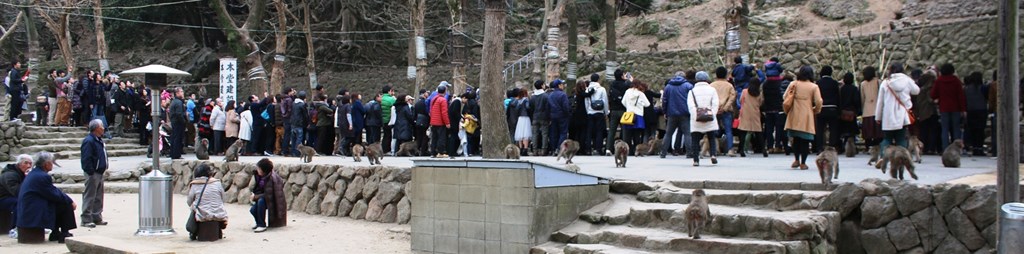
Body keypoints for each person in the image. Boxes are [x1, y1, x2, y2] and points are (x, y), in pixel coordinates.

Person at [18, 152, 76, 243]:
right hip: (32, 209)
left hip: (30, 206)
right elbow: (53, 194)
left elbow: (52, 191)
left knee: (61, 201)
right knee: (66, 204)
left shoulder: (35, 173)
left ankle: (55, 232)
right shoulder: (42, 176)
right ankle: (64, 233)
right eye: (51, 162)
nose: (52, 164)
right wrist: (70, 201)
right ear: (46, 164)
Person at [783, 66, 823, 170]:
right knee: (805, 140)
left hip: (794, 113)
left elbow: (785, 97)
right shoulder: (814, 86)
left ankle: (796, 159)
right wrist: (815, 110)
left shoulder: (793, 84)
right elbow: (819, 101)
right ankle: (803, 163)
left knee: (795, 138)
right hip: (806, 114)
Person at [876, 62, 920, 154]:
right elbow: (916, 91)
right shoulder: (907, 80)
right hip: (902, 115)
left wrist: (878, 117)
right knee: (901, 139)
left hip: (888, 115)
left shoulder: (885, 82)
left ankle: (883, 157)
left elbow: (880, 102)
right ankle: (902, 156)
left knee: (887, 138)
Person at [186, 163, 228, 240]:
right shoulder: (217, 183)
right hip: (219, 214)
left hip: (202, 215)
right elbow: (223, 199)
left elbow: (189, 202)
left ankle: (194, 233)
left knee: (194, 207)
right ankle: (219, 230)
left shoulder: (195, 184)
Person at [687, 71, 720, 166]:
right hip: (709, 116)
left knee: (695, 139)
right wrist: (712, 114)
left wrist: (695, 115)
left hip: (696, 118)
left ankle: (696, 160)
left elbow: (690, 106)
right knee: (711, 137)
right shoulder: (712, 90)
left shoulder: (692, 91)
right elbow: (715, 103)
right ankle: (713, 154)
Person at [80, 119, 109, 227]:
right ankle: (86, 219)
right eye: (101, 126)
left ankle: (96, 216)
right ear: (96, 128)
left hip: (100, 171)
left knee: (98, 196)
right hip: (93, 172)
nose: (103, 128)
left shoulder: (99, 140)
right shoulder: (89, 141)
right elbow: (86, 158)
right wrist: (90, 171)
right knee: (90, 195)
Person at [930, 63, 966, 150]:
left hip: (944, 108)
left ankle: (945, 148)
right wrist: (963, 109)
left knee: (944, 129)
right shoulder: (956, 80)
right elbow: (961, 96)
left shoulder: (939, 80)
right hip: (955, 107)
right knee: (956, 128)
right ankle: (957, 148)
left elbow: (933, 94)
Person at [661, 71, 693, 158]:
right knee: (687, 133)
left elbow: (664, 101)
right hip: (685, 113)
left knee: (668, 133)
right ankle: (689, 152)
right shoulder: (688, 86)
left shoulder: (668, 86)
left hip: (672, 113)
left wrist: (665, 112)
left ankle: (663, 152)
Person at [249, 158, 286, 232]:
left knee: (261, 201)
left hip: (273, 200)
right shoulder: (259, 176)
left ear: (263, 170)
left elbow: (269, 194)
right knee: (253, 210)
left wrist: (255, 197)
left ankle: (261, 225)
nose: (257, 170)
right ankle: (259, 223)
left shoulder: (271, 179)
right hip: (263, 197)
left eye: (259, 168)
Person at [911, 68, 940, 154]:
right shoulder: (930, 88)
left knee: (924, 130)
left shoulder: (919, 89)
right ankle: (931, 147)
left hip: (922, 112)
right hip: (931, 112)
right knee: (932, 130)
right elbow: (931, 100)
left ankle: (924, 148)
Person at [0, 154, 31, 233]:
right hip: (2, 198)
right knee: (19, 203)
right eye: (26, 163)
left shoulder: (20, 173)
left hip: (9, 196)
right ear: (19, 164)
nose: (28, 166)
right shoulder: (10, 175)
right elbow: (17, 192)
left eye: (30, 164)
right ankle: (15, 227)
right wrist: (27, 179)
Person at [710, 68, 737, 156]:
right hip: (726, 110)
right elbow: (732, 98)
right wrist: (725, 108)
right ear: (725, 74)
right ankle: (730, 149)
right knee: (728, 130)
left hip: (714, 110)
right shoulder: (729, 85)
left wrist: (715, 108)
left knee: (713, 129)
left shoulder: (711, 85)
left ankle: (715, 149)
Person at [814, 66, 842, 153]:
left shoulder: (818, 83)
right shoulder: (834, 83)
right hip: (833, 108)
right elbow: (838, 97)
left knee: (820, 129)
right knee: (833, 129)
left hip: (821, 108)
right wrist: (839, 110)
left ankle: (819, 147)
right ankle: (832, 146)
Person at [737, 74, 765, 157]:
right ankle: (764, 150)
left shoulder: (745, 91)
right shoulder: (759, 93)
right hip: (755, 113)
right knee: (758, 132)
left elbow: (741, 100)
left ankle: (741, 150)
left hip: (745, 113)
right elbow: (760, 103)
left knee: (743, 132)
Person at [622, 80, 651, 155]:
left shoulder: (627, 91)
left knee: (627, 135)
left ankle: (628, 151)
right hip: (638, 116)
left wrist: (629, 107)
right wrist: (640, 105)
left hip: (628, 115)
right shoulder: (640, 94)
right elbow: (647, 104)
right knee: (637, 135)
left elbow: (623, 102)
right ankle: (636, 150)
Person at [606, 70, 631, 154]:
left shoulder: (612, 84)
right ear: (621, 76)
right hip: (623, 110)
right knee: (624, 130)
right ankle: (624, 148)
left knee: (612, 130)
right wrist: (629, 80)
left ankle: (608, 148)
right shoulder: (626, 85)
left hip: (613, 110)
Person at [963, 72, 988, 156]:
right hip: (981, 110)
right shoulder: (984, 88)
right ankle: (979, 148)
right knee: (980, 131)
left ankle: (974, 147)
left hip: (971, 111)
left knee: (972, 130)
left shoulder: (966, 89)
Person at [583, 75, 609, 155]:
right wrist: (606, 112)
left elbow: (586, 101)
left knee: (589, 131)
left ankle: (588, 149)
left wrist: (588, 111)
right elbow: (605, 101)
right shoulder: (601, 89)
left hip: (590, 112)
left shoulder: (588, 89)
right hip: (599, 112)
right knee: (599, 131)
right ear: (598, 80)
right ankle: (598, 149)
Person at [860, 67, 883, 153]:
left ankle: (868, 147)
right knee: (878, 131)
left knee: (868, 131)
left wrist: (862, 108)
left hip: (867, 109)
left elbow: (862, 97)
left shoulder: (863, 84)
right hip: (877, 109)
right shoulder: (878, 82)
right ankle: (878, 146)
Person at [838, 72, 862, 154]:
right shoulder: (854, 89)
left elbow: (839, 101)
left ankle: (843, 146)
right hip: (851, 113)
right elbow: (856, 100)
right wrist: (857, 110)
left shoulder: (841, 89)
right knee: (852, 132)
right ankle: (852, 147)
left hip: (843, 113)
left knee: (843, 131)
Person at [547, 80, 571, 155]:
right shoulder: (563, 95)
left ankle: (553, 149)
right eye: (562, 84)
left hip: (552, 116)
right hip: (562, 116)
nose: (563, 86)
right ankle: (559, 148)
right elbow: (565, 107)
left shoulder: (550, 95)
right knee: (563, 132)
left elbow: (547, 107)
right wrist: (568, 114)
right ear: (559, 85)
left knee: (554, 133)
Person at [530, 80, 551, 156]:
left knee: (535, 134)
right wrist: (549, 118)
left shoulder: (532, 97)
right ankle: (543, 150)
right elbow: (548, 108)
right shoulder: (545, 96)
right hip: (544, 117)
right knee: (544, 134)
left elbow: (530, 108)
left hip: (535, 117)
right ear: (542, 86)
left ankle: (534, 150)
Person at [429, 85, 450, 157]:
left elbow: (431, 110)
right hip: (440, 122)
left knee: (434, 137)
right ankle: (440, 152)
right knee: (441, 137)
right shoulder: (443, 100)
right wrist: (447, 123)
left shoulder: (434, 99)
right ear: (445, 91)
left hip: (433, 121)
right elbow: (444, 112)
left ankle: (432, 152)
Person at [511, 89, 531, 155]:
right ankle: (525, 149)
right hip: (525, 117)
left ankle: (521, 148)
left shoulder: (518, 101)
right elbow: (528, 108)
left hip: (520, 118)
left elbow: (516, 108)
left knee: (520, 134)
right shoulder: (526, 100)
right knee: (526, 134)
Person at [169, 88, 187, 159]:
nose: (183, 93)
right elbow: (179, 114)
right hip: (178, 123)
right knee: (178, 138)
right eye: (181, 92)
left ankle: (173, 153)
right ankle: (176, 154)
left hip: (174, 122)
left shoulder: (174, 101)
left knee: (174, 137)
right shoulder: (178, 102)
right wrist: (183, 121)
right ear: (177, 93)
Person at [289, 92, 308, 156]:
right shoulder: (302, 105)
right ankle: (297, 152)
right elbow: (305, 115)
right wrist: (307, 123)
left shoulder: (294, 103)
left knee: (293, 139)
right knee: (299, 139)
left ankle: (293, 152)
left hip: (293, 123)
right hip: (299, 123)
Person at [380, 86, 397, 154]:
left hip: (382, 120)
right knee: (389, 135)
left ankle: (383, 149)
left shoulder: (381, 98)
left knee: (385, 135)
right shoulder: (391, 99)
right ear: (389, 91)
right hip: (389, 120)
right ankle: (387, 149)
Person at [414, 90, 431, 156]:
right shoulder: (425, 102)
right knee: (425, 136)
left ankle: (417, 150)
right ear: (424, 94)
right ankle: (423, 151)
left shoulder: (417, 103)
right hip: (424, 121)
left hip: (418, 121)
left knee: (419, 137)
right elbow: (427, 112)